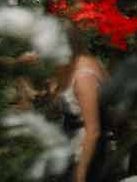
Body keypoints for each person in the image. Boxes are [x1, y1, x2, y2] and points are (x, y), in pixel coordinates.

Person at [47, 29, 111, 182]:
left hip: (85, 146)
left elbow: (93, 130)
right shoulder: (75, 61)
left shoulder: (83, 78)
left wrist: (81, 172)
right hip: (72, 135)